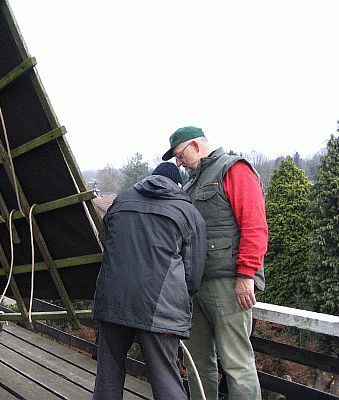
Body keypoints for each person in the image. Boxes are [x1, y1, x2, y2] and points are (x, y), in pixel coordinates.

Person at [162, 126, 268, 400]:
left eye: (180, 155)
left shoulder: (234, 169)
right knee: (197, 365)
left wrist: (246, 276)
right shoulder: (189, 184)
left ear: (196, 146)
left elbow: (255, 226)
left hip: (228, 286)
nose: (179, 163)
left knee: (236, 365)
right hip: (194, 288)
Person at [92, 162, 207, 400]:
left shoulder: (121, 201)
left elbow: (109, 242)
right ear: (178, 185)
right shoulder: (188, 212)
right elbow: (193, 275)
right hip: (159, 310)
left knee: (108, 375)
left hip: (113, 301)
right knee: (165, 377)